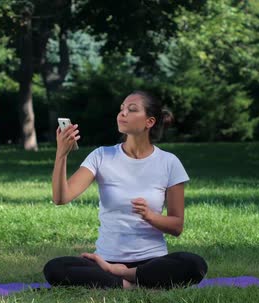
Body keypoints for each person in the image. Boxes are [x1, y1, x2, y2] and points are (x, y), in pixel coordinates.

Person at [43, 91, 207, 289]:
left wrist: (150, 216)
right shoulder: (101, 156)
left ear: (149, 122)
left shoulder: (169, 163)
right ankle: (133, 286)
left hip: (152, 262)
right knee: (56, 268)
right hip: (105, 262)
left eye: (132, 110)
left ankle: (123, 276)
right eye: (121, 109)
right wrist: (62, 154)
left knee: (194, 264)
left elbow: (176, 226)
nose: (122, 114)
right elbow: (61, 197)